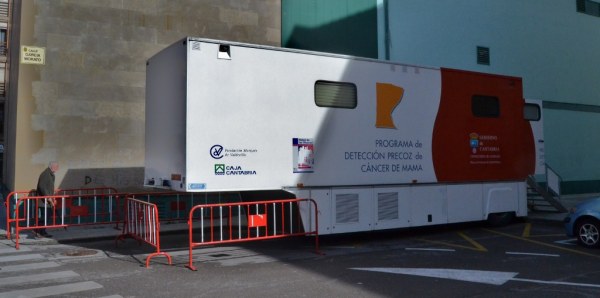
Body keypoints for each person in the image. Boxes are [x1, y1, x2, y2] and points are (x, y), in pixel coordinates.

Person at [34, 161, 59, 237]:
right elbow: (42, 187)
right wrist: (48, 198)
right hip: (43, 200)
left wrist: (52, 197)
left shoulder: (50, 174)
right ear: (52, 167)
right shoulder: (45, 174)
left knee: (47, 215)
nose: (57, 169)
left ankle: (41, 230)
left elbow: (48, 187)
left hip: (47, 200)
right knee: (46, 215)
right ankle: (39, 230)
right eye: (56, 167)